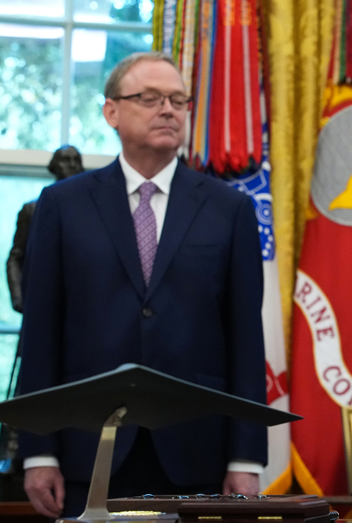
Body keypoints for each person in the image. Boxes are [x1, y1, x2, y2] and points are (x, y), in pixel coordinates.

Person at [17, 52, 267, 519]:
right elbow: (41, 333)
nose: (168, 109)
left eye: (178, 99)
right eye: (149, 98)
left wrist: (246, 456)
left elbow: (246, 341)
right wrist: (39, 451)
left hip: (197, 452)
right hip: (85, 448)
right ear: (111, 111)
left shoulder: (228, 210)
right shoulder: (62, 206)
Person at [7, 145, 84, 314]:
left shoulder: (91, 210)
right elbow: (15, 257)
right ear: (53, 166)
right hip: (39, 302)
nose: (72, 165)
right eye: (65, 159)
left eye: (76, 160)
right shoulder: (32, 209)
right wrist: (18, 297)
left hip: (79, 306)